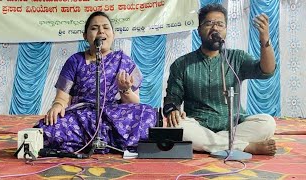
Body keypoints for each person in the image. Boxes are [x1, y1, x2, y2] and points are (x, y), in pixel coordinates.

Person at [34, 11, 157, 154]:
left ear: (113, 34)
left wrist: (125, 90)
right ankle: (114, 142)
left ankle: (87, 141)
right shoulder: (75, 61)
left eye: (106, 27)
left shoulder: (124, 61)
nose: (100, 31)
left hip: (113, 117)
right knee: (45, 129)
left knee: (147, 112)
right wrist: (57, 106)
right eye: (94, 28)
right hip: (81, 117)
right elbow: (62, 97)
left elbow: (134, 104)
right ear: (85, 36)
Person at [163, 4, 277, 156]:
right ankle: (245, 146)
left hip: (235, 125)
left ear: (225, 30)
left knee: (267, 123)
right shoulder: (182, 64)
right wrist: (173, 110)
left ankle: (214, 144)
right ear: (198, 30)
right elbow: (172, 99)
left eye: (220, 24)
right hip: (199, 125)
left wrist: (265, 40)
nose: (214, 28)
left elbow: (267, 71)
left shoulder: (237, 58)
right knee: (176, 127)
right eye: (209, 23)